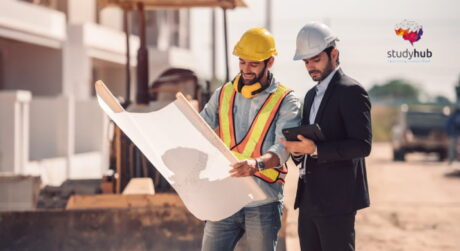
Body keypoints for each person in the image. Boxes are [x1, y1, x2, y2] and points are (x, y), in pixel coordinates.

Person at [199, 27, 301, 251]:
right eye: (242, 62)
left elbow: (283, 147)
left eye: (253, 64)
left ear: (270, 62)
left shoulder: (285, 100)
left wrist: (257, 164)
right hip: (224, 196)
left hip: (263, 200)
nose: (246, 70)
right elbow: (200, 129)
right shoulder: (223, 93)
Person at [280, 22, 372, 251]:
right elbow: (309, 143)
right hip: (309, 198)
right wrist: (298, 150)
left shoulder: (351, 91)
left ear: (334, 54)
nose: (311, 67)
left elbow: (362, 145)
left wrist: (316, 149)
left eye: (316, 59)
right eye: (306, 62)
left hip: (338, 201)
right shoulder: (311, 95)